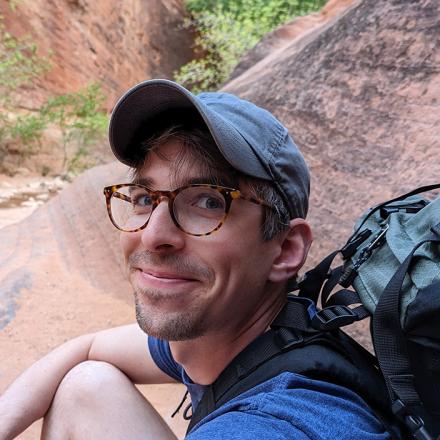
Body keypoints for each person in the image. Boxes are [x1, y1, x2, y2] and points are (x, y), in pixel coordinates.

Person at [0, 79, 390, 439]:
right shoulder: (243, 334)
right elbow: (85, 349)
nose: (153, 235)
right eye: (143, 199)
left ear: (285, 249)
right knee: (86, 385)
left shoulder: (282, 423)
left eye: (207, 201)